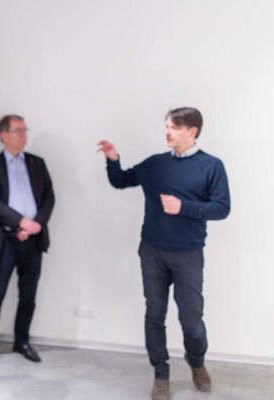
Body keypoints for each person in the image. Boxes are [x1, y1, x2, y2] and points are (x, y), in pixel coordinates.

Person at [98, 107, 230, 400]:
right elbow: (121, 180)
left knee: (192, 321)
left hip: (188, 254)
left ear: (192, 131)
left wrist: (184, 207)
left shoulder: (211, 166)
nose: (168, 131)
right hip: (152, 252)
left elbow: (222, 208)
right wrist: (112, 159)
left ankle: (196, 362)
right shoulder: (156, 164)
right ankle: (161, 373)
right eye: (167, 126)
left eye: (175, 127)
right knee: (154, 315)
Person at [0, 115, 55, 368]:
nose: (24, 135)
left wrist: (35, 225)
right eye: (18, 130)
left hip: (33, 240)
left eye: (25, 130)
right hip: (4, 239)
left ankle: (22, 341)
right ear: (4, 135)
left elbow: (49, 198)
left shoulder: (36, 163)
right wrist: (21, 222)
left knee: (28, 295)